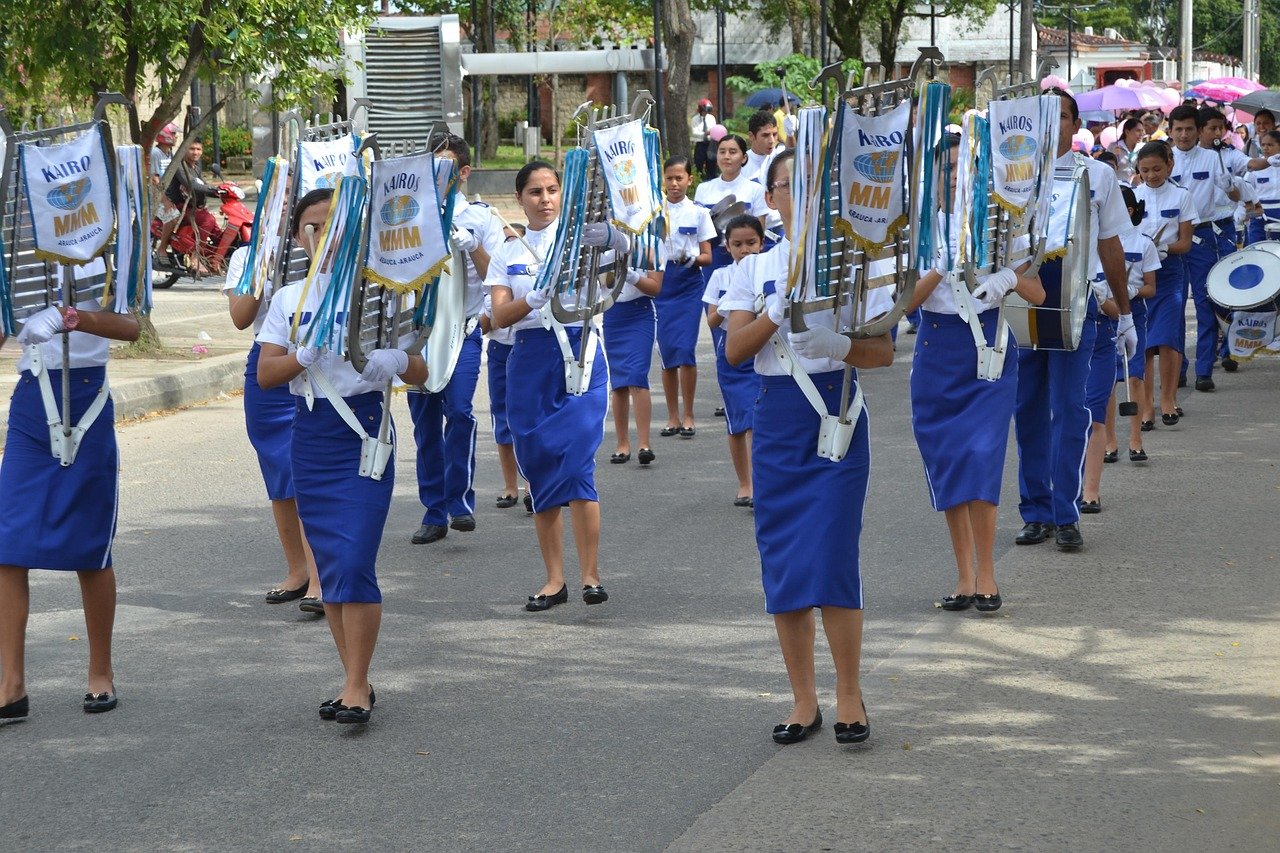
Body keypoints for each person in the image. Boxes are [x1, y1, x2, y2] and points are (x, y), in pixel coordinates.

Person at [723, 150, 894, 745]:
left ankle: (850, 693)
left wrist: (840, 342)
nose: (801, 196)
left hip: (837, 416)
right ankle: (803, 699)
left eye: (814, 185)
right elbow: (734, 351)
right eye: (790, 185)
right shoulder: (753, 267)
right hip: (778, 421)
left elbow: (883, 353)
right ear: (771, 198)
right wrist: (776, 309)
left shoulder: (855, 260)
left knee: (832, 555)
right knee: (786, 560)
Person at [257, 188, 428, 724]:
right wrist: (304, 353)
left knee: (355, 559)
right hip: (312, 436)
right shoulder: (289, 299)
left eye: (331, 224)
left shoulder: (384, 291)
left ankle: (357, 683)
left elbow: (423, 371)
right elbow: (266, 375)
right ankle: (355, 677)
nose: (321, 234)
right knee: (331, 566)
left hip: (365, 432)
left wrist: (397, 358)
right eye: (310, 226)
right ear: (298, 238)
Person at [906, 133, 1043, 612]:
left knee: (982, 457)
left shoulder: (1002, 221)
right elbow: (905, 304)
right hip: (937, 347)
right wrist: (937, 269)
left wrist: (1008, 277)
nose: (954, 178)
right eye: (945, 170)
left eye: (964, 168)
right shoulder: (919, 228)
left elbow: (1038, 293)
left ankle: (988, 574)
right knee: (947, 461)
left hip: (988, 348)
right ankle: (964, 575)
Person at [0, 259, 141, 721]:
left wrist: (71, 317)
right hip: (31, 399)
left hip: (86, 395)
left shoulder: (102, 248)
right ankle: (11, 685)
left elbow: (131, 327)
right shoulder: (16, 252)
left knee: (90, 545)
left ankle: (100, 672)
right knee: (8, 545)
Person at [485, 161, 616, 611]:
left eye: (552, 189)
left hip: (580, 352)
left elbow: (624, 268)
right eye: (535, 191)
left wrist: (617, 243)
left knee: (578, 462)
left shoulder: (584, 237)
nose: (544, 198)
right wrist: (532, 299)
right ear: (519, 198)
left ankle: (592, 576)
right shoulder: (509, 250)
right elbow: (498, 318)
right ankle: (555, 579)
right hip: (530, 361)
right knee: (540, 467)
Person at [1014, 89, 1135, 554]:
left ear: (1075, 123)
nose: (1051, 124)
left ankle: (1066, 512)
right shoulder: (1012, 174)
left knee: (1069, 410)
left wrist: (1123, 312)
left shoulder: (1098, 175)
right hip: (1022, 302)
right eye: (1041, 115)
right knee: (1026, 411)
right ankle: (1035, 510)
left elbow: (1110, 245)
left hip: (1075, 305)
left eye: (1060, 116)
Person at [407, 133, 504, 546]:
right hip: (419, 335)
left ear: (462, 172)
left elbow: (496, 275)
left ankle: (459, 499)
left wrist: (473, 246)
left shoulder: (481, 217)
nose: (437, 174)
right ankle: (434, 510)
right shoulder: (412, 214)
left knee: (460, 411)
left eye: (445, 167)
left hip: (463, 329)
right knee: (425, 422)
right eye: (431, 166)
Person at [222, 241, 322, 612]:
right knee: (279, 471)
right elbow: (240, 317)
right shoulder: (247, 256)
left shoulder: (330, 249)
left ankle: (320, 577)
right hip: (269, 361)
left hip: (318, 362)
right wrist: (262, 267)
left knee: (304, 471)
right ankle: (297, 571)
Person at [1169, 105, 1267, 391]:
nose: (1184, 135)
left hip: (1203, 237)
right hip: (1171, 241)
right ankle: (1178, 370)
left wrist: (1229, 186)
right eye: (1178, 129)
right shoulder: (1164, 157)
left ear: (1198, 131)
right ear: (1171, 131)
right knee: (1173, 306)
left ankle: (1203, 369)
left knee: (1205, 303)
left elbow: (1236, 193)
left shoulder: (1212, 159)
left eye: (1189, 129)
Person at [702, 214, 765, 507]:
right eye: (737, 244)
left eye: (751, 243)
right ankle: (744, 482)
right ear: (727, 247)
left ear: (762, 243)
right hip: (730, 358)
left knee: (756, 420)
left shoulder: (767, 270)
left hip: (762, 353)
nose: (745, 250)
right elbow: (712, 320)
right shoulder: (720, 276)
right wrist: (730, 304)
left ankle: (761, 484)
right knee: (736, 423)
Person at [1133, 140, 1194, 427]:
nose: (1152, 175)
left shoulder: (1182, 196)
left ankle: (1168, 399)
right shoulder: (1131, 197)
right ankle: (1146, 407)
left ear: (1169, 165)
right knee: (1144, 342)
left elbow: (1185, 242)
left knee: (1168, 338)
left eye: (1157, 168)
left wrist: (1166, 248)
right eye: (1145, 170)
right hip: (1140, 273)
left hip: (1169, 272)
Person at [1103, 185, 1160, 465]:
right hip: (1104, 310)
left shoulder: (1143, 243)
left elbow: (1151, 287)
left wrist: (1133, 291)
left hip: (1134, 311)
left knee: (1135, 376)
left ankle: (1135, 439)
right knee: (1109, 381)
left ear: (1127, 211)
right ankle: (1109, 440)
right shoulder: (1096, 242)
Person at [660, 155, 716, 438]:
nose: (674, 183)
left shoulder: (698, 213)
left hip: (688, 285)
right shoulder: (655, 212)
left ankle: (689, 414)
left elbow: (708, 255)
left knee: (685, 350)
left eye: (679, 177)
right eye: (669, 178)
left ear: (689, 180)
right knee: (667, 352)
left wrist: (691, 257)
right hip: (661, 284)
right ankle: (672, 416)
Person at [602, 236, 663, 467]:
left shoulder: (652, 243)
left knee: (637, 376)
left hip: (640, 313)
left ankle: (644, 444)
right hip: (613, 313)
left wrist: (631, 275)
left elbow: (655, 287)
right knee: (618, 382)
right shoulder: (604, 241)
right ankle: (622, 443)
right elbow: (603, 284)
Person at [156, 139, 223, 271]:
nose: (195, 152)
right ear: (185, 150)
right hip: (177, 205)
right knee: (208, 220)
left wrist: (221, 190)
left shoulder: (195, 167)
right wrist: (213, 190)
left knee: (215, 228)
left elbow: (202, 186)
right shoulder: (180, 166)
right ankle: (195, 257)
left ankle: (215, 258)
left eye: (198, 149)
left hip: (191, 207)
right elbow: (191, 185)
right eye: (192, 149)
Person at [1245, 129, 1280, 245]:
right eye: (1263, 145)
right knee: (1256, 251)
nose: (1265, 148)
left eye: (1270, 145)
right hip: (1260, 217)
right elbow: (1245, 190)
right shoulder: (1255, 166)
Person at [1108, 117, 1144, 184]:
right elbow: (1107, 168)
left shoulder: (1143, 148)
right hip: (1118, 185)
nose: (1141, 134)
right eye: (1138, 131)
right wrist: (1113, 156)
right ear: (1127, 132)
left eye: (1142, 131)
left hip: (1136, 186)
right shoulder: (1113, 146)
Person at [691, 99, 718, 180]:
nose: (705, 113)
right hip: (700, 144)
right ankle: (700, 180)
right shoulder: (695, 119)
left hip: (710, 144)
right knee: (698, 164)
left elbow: (714, 130)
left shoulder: (711, 118)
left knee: (712, 164)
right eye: (704, 111)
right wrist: (704, 134)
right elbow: (694, 132)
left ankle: (711, 179)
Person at [149, 123, 177, 189]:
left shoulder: (170, 153)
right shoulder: (155, 153)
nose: (175, 137)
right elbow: (154, 178)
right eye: (173, 134)